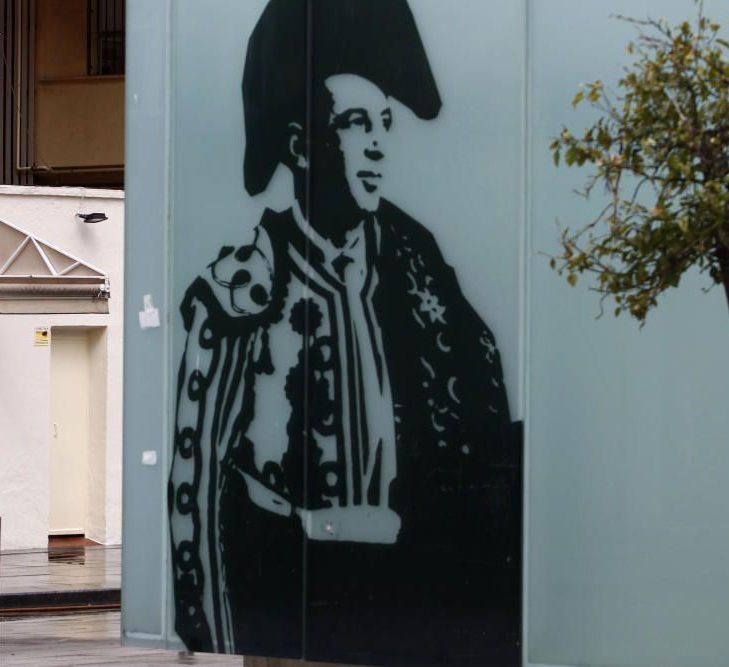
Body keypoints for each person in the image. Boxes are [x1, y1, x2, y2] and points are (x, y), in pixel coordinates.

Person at [168, 1, 521, 663]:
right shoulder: (236, 296)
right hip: (292, 621)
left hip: (407, 617)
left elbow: (486, 443)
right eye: (357, 124)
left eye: (384, 123)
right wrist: (220, 630)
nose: (380, 144)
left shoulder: (424, 275)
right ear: (303, 145)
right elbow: (199, 497)